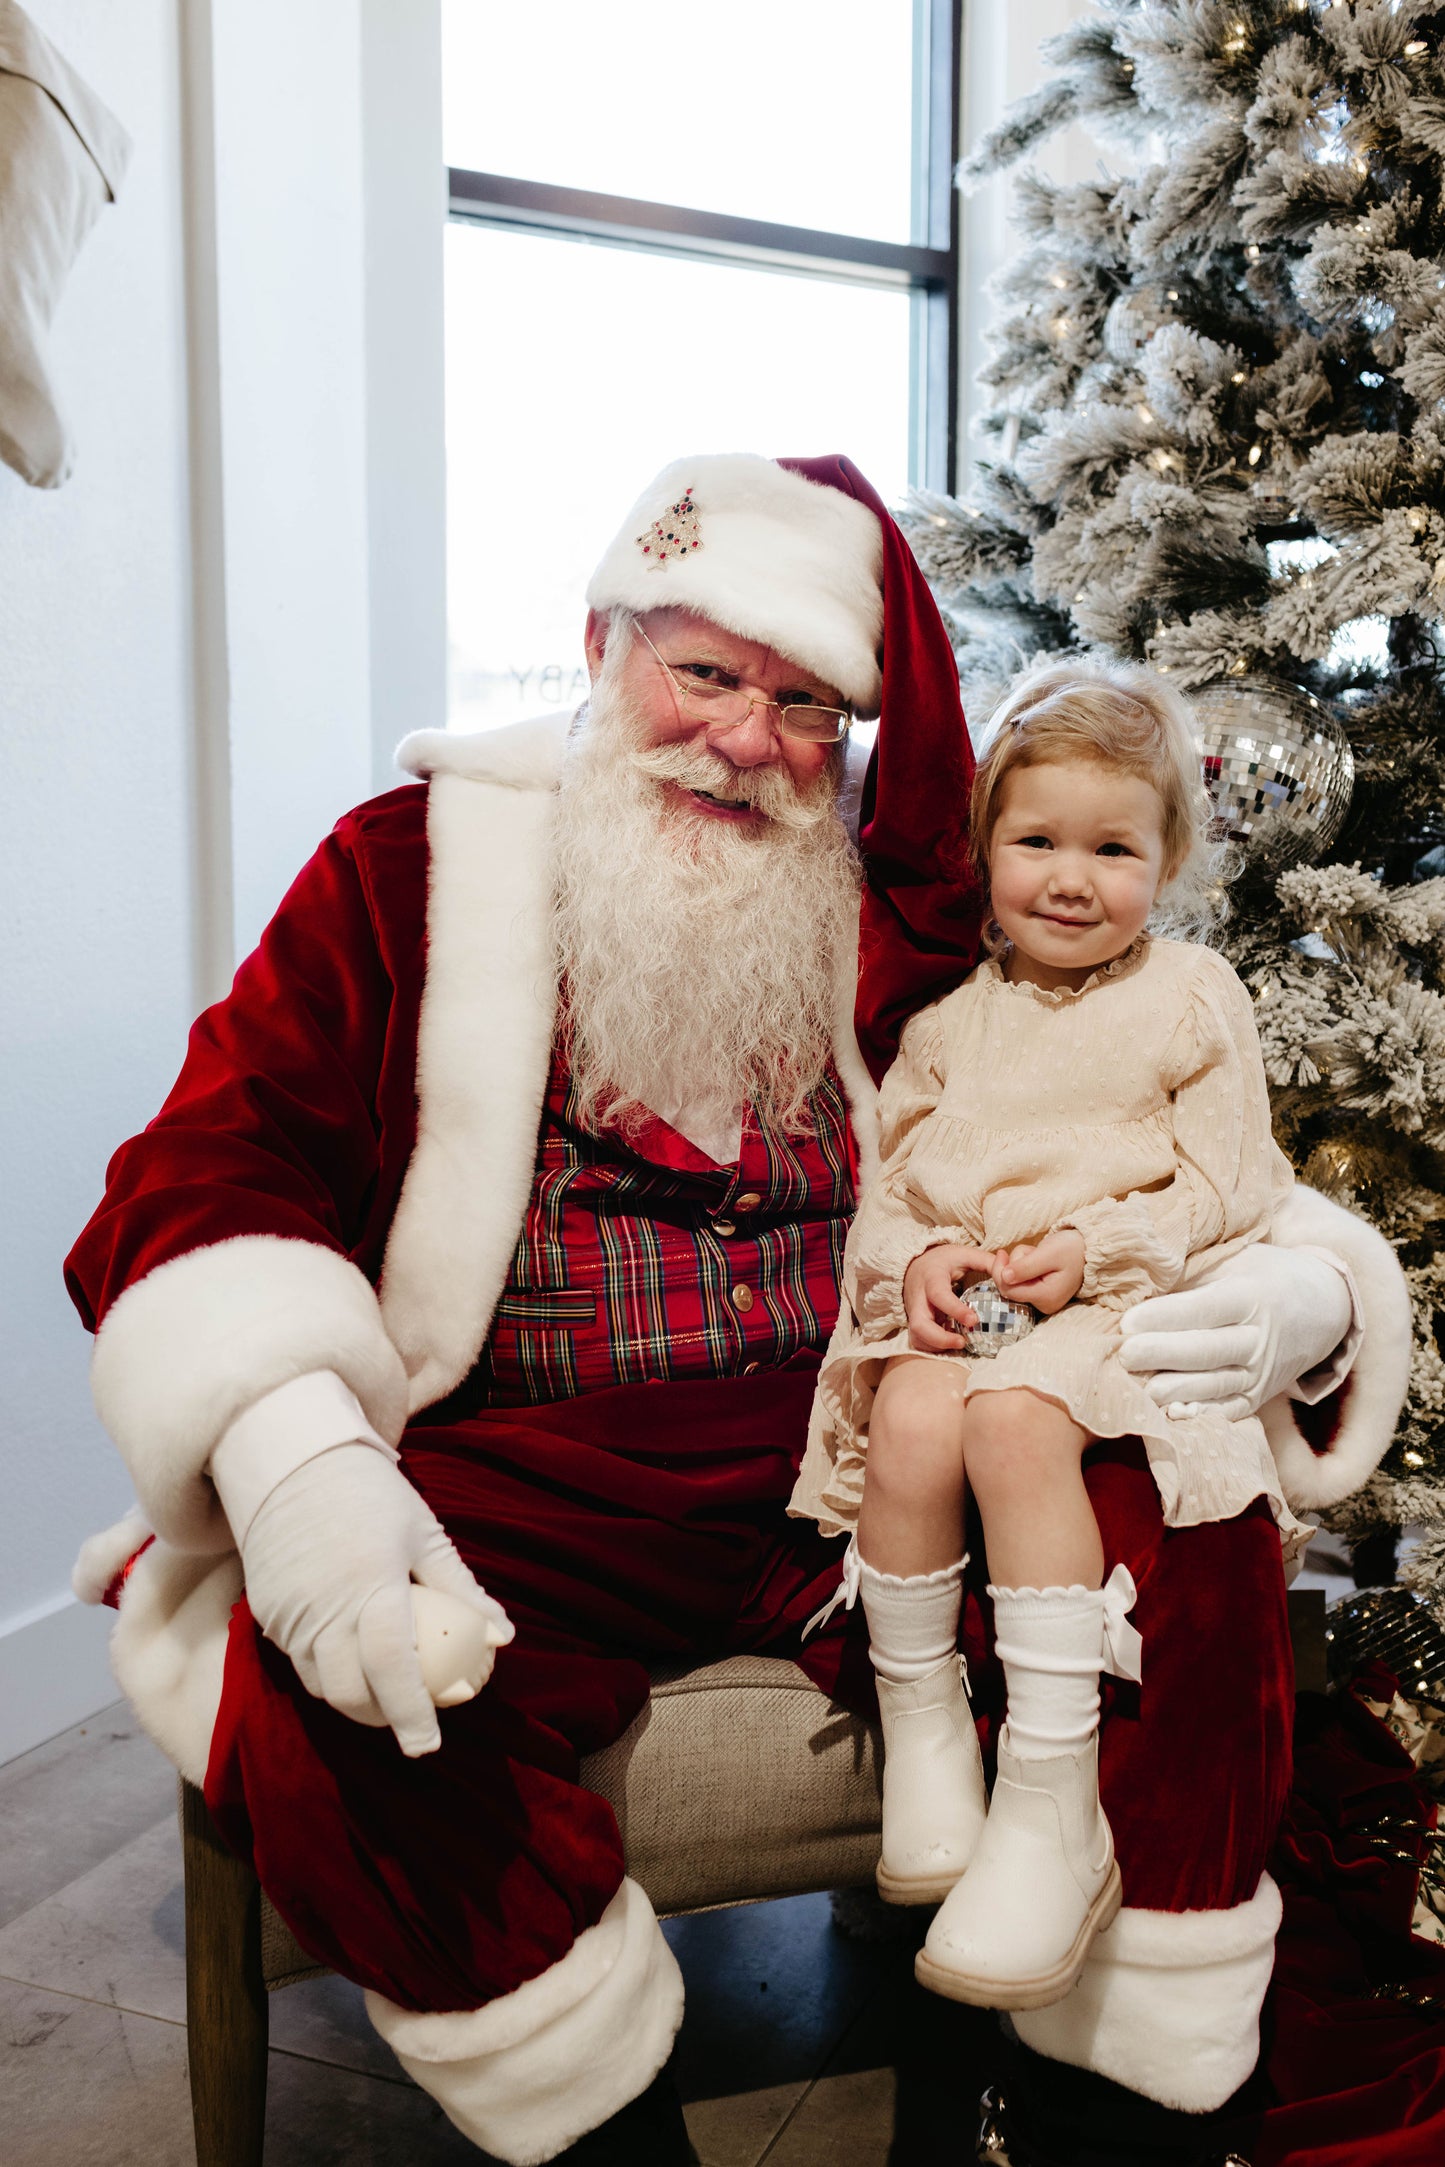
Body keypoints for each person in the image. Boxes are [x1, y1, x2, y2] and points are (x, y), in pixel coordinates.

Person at [65, 454, 1408, 2166]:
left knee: (1193, 1526)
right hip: (539, 1459)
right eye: (704, 674)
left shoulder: (902, 902)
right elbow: (209, 1162)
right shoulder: (408, 870)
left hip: (849, 1427)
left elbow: (1113, 1109)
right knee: (352, 1670)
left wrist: (1300, 1282)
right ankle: (599, 2123)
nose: (745, 740)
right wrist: (295, 1455)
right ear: (599, 646)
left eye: (801, 706)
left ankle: (1094, 2113)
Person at [796, 654, 1310, 2031]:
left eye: (1112, 848)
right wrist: (929, 1266)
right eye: (1036, 842)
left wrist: (1101, 1253)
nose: (1070, 879)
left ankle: (1048, 1797)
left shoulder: (1191, 996)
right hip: (985, 1305)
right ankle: (922, 1749)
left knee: (1008, 1422)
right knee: (912, 1413)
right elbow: (891, 1197)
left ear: (1166, 859)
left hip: (1117, 1304)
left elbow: (1229, 1184)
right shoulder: (950, 1027)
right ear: (984, 849)